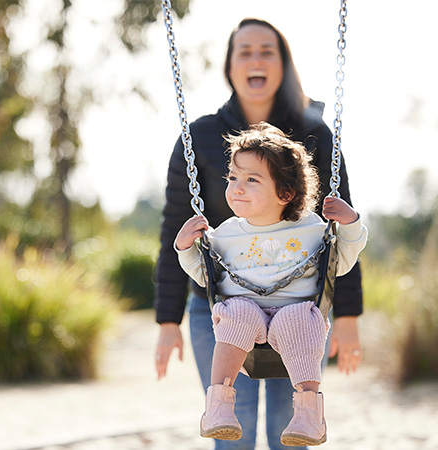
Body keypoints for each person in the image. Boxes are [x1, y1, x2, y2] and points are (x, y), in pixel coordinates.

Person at [155, 18, 365, 450]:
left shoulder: (315, 134)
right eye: (244, 51)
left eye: (267, 51)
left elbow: (336, 236)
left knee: (287, 433)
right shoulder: (200, 137)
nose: (255, 59)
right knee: (233, 431)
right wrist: (166, 320)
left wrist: (347, 315)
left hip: (299, 306)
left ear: (283, 64)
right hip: (221, 306)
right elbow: (174, 228)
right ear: (230, 66)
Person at [175, 123, 367, 446]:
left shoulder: (311, 229)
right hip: (245, 320)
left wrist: (349, 224)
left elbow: (340, 262)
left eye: (251, 180)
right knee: (234, 311)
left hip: (293, 317)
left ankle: (308, 412)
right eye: (233, 178)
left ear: (285, 193)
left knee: (301, 320)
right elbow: (206, 275)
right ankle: (220, 405)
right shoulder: (224, 234)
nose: (237, 187)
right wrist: (184, 248)